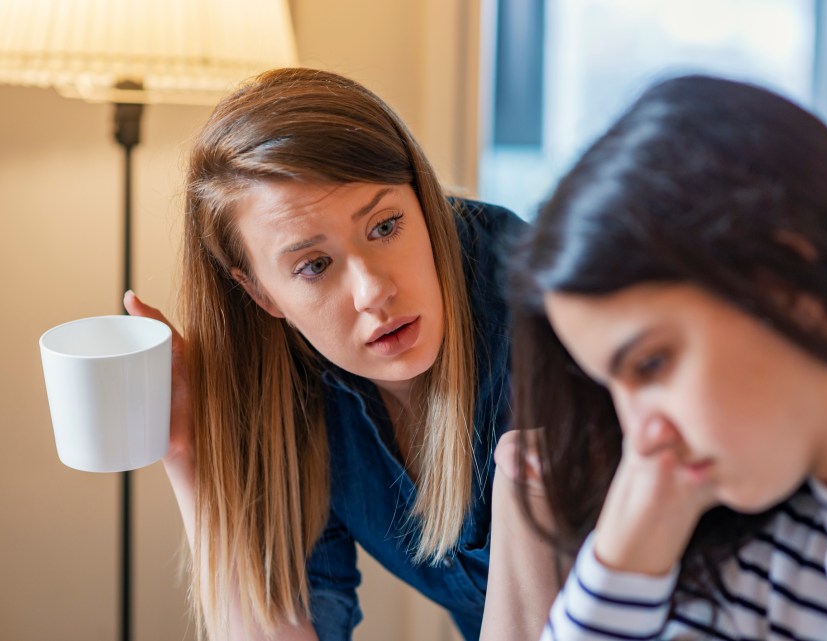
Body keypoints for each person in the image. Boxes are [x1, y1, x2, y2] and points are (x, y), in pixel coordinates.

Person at [509, 74, 827, 639]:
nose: (642, 436)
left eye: (651, 364)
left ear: (783, 276)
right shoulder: (768, 553)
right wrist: (625, 559)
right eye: (612, 388)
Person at [125, 67, 533, 641]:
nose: (374, 291)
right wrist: (187, 452)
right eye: (314, 265)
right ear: (260, 293)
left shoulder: (545, 311)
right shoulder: (286, 384)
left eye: (385, 225)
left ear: (423, 197)